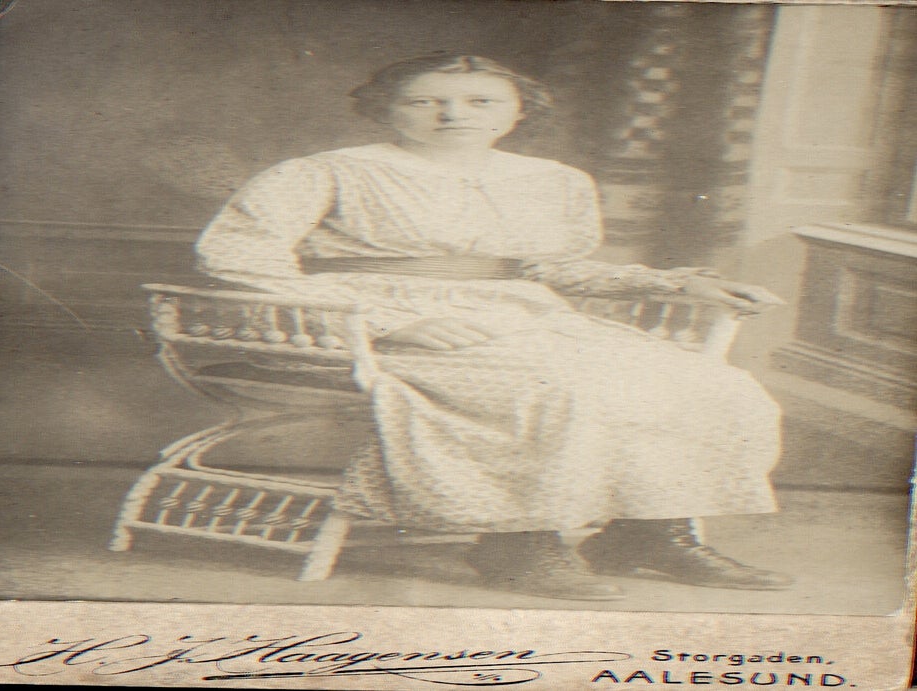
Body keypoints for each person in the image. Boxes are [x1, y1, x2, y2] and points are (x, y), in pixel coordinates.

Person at [195, 54, 792, 601]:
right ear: (384, 108)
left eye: (481, 101)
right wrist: (394, 324)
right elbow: (236, 257)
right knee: (554, 392)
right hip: (361, 325)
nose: (454, 114)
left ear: (519, 110)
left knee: (709, 384)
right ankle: (517, 543)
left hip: (519, 317)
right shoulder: (324, 173)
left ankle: (651, 533)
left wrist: (678, 285)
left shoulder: (553, 180)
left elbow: (555, 269)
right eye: (425, 101)